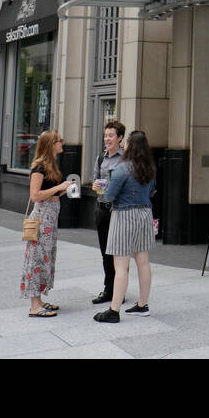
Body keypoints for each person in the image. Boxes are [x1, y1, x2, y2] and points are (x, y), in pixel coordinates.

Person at [94, 131, 157, 323]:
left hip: (124, 215)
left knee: (121, 265)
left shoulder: (122, 168)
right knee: (143, 262)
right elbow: (152, 191)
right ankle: (142, 304)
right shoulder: (150, 168)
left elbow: (109, 196)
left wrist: (100, 188)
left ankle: (114, 310)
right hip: (145, 214)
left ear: (130, 145)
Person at [21, 129, 72, 317]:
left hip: (51, 217)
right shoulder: (39, 167)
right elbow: (35, 195)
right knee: (36, 258)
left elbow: (49, 192)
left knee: (45, 258)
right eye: (59, 141)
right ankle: (34, 306)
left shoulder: (51, 166)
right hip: (42, 219)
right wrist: (59, 187)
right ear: (51, 144)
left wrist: (64, 190)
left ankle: (39, 300)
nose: (62, 144)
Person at [89, 118, 128, 305]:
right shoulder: (101, 157)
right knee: (105, 252)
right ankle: (108, 289)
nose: (107, 139)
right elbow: (94, 182)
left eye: (111, 135)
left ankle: (120, 290)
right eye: (105, 135)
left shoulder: (125, 158)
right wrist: (96, 185)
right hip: (102, 209)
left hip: (119, 210)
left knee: (119, 252)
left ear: (120, 138)